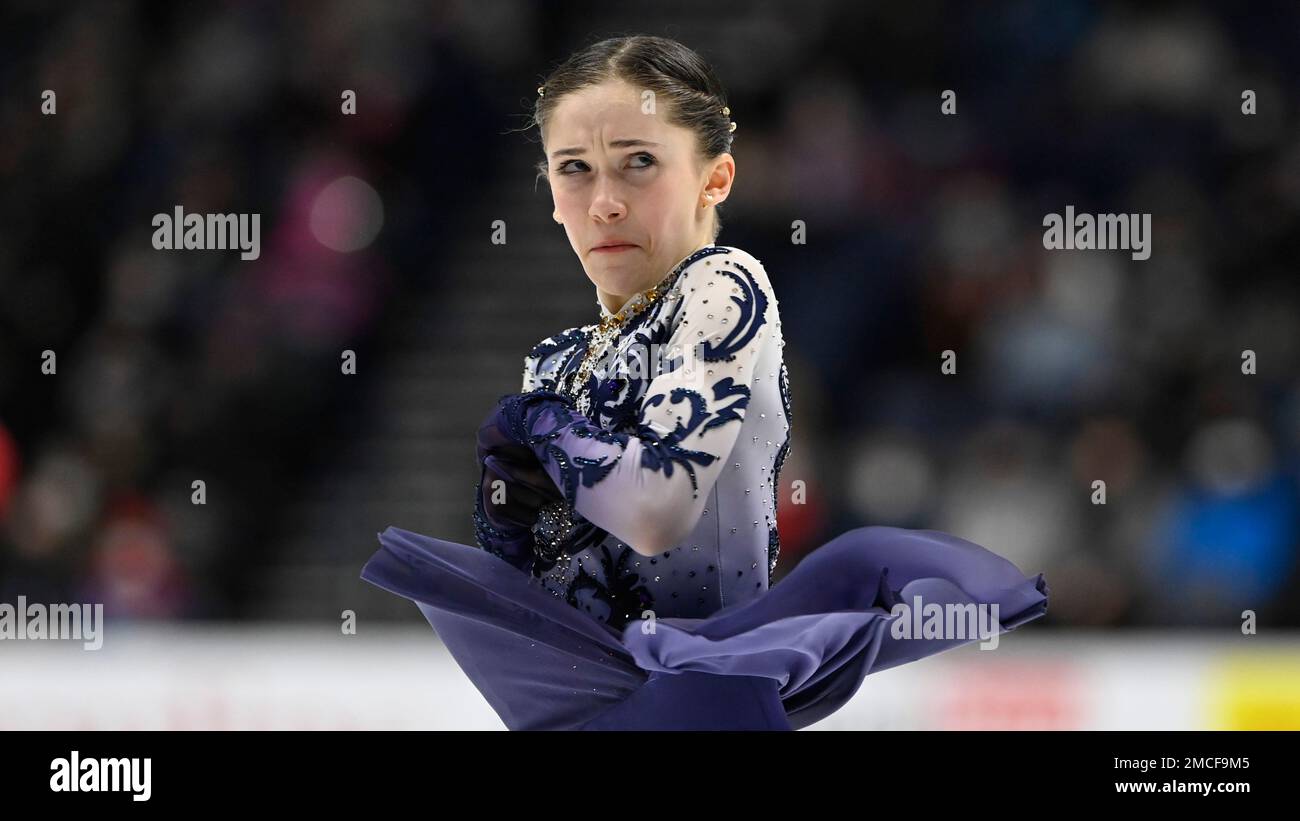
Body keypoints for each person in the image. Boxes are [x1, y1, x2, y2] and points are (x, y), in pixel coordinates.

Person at [361, 34, 1048, 731]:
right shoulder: (560, 357)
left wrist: (544, 428)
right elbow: (550, 592)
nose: (603, 202)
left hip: (698, 706)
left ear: (714, 179)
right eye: (574, 168)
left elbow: (656, 511)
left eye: (639, 164)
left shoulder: (720, 287)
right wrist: (505, 511)